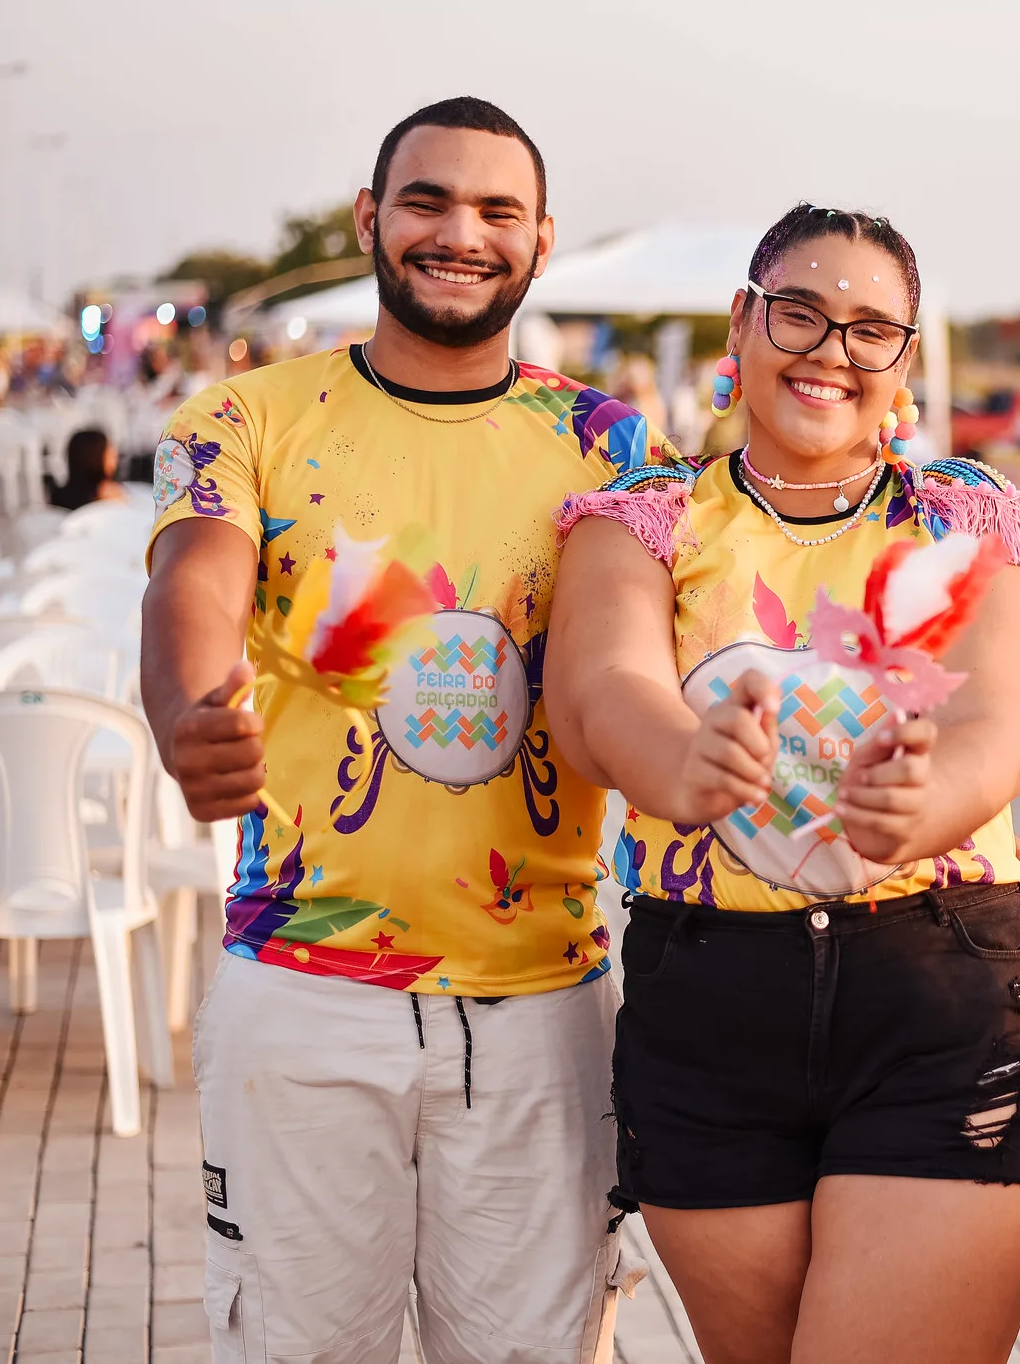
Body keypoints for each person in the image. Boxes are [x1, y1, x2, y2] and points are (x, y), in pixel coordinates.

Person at [142, 96, 658, 1364]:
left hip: (546, 1000)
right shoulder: (243, 420)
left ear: (541, 242)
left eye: (496, 210)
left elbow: (647, 674)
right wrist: (185, 708)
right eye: (426, 200)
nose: (458, 233)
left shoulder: (612, 445)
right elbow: (194, 582)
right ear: (372, 219)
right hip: (304, 996)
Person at [548, 205, 1020, 1364]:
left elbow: (1012, 710)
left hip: (938, 999)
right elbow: (600, 687)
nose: (832, 349)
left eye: (871, 328)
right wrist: (677, 758)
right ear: (743, 321)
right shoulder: (639, 521)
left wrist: (925, 807)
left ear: (904, 360)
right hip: (709, 1005)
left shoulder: (969, 515)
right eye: (801, 311)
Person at [47, 427, 126, 510]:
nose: (116, 459)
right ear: (94, 458)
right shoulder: (108, 495)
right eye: (110, 454)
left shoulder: (58, 495)